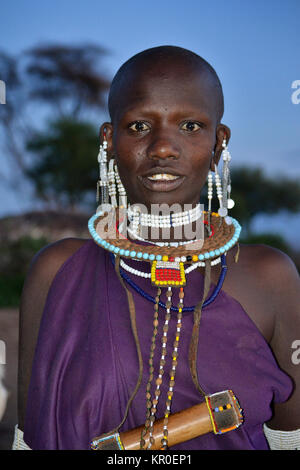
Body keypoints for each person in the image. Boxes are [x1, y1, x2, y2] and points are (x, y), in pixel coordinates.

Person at [14, 46, 300, 450]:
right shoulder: (58, 271)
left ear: (219, 142)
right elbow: (28, 439)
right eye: (138, 127)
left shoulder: (270, 277)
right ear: (109, 141)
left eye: (190, 126)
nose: (163, 147)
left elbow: (292, 440)